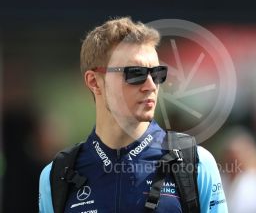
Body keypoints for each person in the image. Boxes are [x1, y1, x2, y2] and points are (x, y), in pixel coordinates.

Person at [39, 17, 227, 213]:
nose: (151, 86)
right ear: (94, 82)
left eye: (157, 73)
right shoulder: (56, 175)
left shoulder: (195, 162)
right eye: (135, 73)